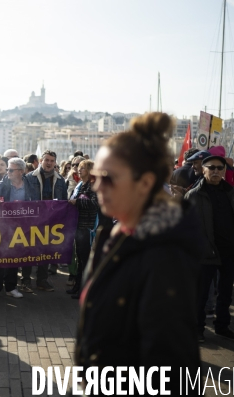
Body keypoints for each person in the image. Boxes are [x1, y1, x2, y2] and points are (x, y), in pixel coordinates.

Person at [75, 113, 201, 393]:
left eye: (108, 178)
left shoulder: (165, 253)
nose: (96, 186)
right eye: (95, 175)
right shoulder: (115, 234)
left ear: (144, 183)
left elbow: (171, 368)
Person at [185, 154, 234, 342]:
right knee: (201, 294)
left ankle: (223, 326)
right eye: (211, 168)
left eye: (219, 168)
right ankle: (197, 329)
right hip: (205, 253)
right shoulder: (194, 195)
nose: (215, 171)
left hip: (228, 252)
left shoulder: (230, 191)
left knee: (226, 293)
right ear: (203, 170)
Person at [0, 158, 38, 300]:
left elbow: (36, 203)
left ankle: (11, 287)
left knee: (15, 258)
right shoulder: (2, 184)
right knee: (0, 257)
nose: (7, 172)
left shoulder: (30, 185)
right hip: (2, 226)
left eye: (11, 170)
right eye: (8, 169)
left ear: (21, 171)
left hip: (22, 227)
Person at [22, 150, 68, 292]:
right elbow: (25, 198)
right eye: (46, 160)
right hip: (32, 221)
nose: (49, 163)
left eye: (51, 161)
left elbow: (64, 201)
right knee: (29, 250)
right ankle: (26, 281)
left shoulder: (60, 180)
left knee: (46, 251)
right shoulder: (30, 178)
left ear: (55, 163)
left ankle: (42, 280)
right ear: (41, 161)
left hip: (51, 221)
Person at [66, 159, 99, 299]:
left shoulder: (93, 185)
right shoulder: (81, 185)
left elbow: (94, 203)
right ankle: (77, 286)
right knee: (80, 259)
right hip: (78, 226)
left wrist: (77, 201)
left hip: (86, 227)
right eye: (79, 167)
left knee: (85, 260)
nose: (79, 170)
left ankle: (84, 291)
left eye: (83, 168)